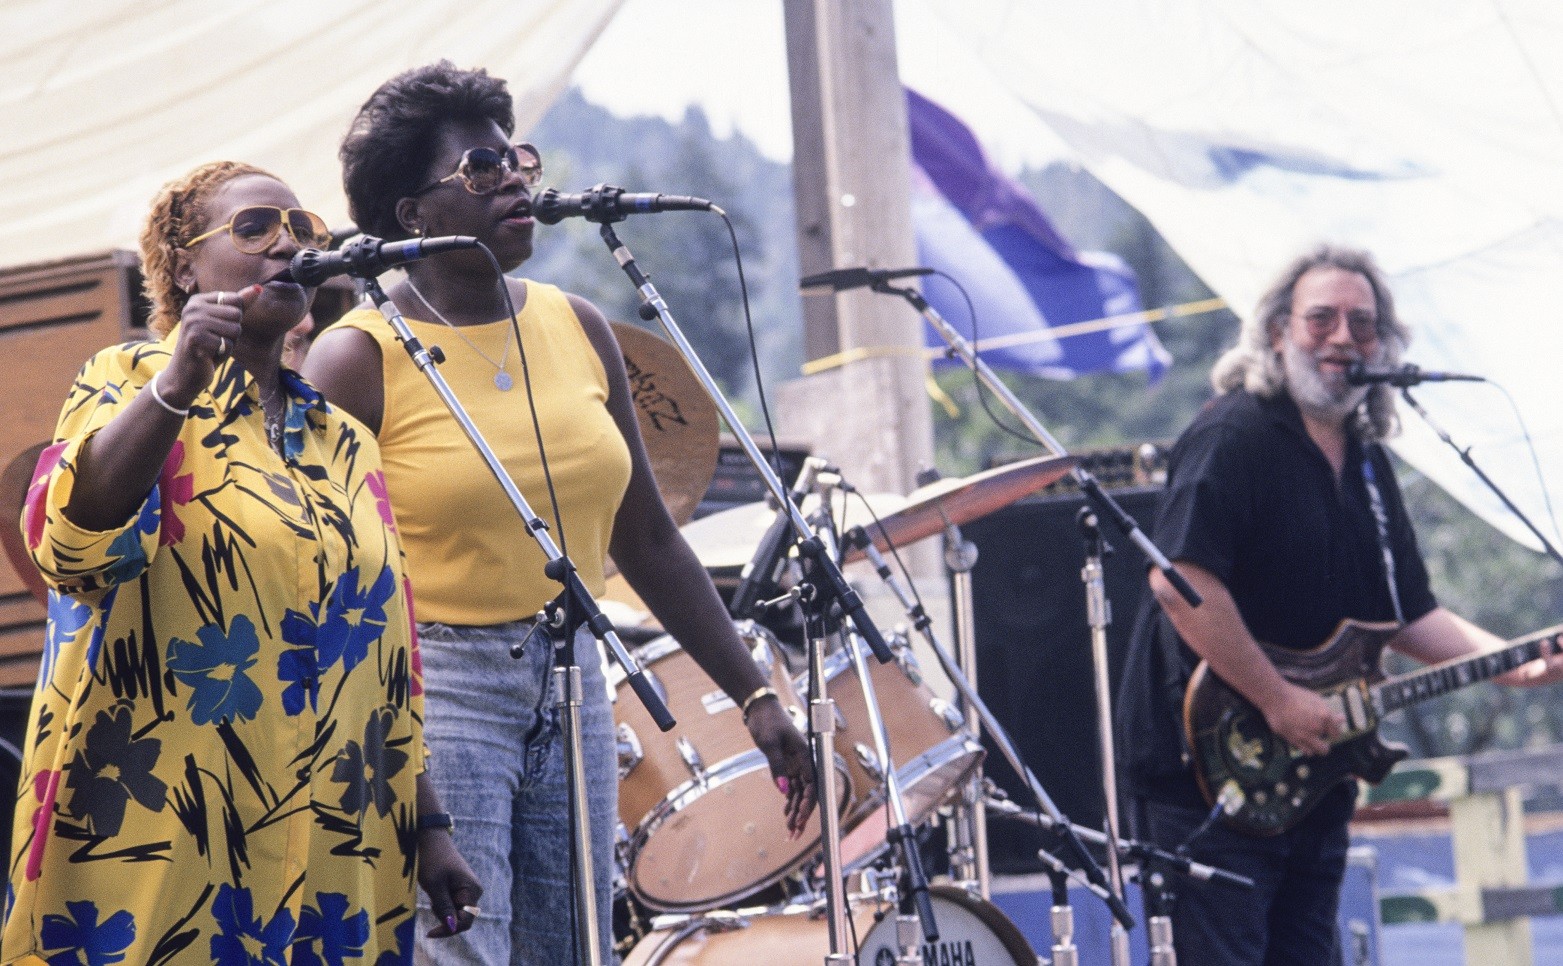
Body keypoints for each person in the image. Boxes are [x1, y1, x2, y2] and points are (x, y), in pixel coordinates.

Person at [302, 62, 817, 965]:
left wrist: (754, 694)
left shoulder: (576, 325)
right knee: (462, 951)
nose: (513, 180)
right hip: (437, 687)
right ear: (410, 214)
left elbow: (649, 537)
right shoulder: (355, 359)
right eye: (478, 169)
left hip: (572, 673)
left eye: (516, 160)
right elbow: (320, 585)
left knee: (574, 948)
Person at [3, 161, 481, 965]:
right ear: (186, 266)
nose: (286, 245)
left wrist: (430, 829)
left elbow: (379, 660)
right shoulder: (128, 380)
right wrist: (178, 385)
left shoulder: (345, 442)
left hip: (335, 838)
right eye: (255, 227)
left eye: (303, 231)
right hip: (165, 826)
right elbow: (71, 543)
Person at [1115, 244, 1563, 965]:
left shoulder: (1365, 462)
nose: (1342, 338)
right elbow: (1180, 583)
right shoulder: (1234, 435)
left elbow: (1407, 610)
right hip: (1208, 774)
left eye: (1362, 324)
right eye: (1320, 318)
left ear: (1383, 346)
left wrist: (1509, 664)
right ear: (1275, 333)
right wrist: (1277, 697)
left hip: (1312, 777)